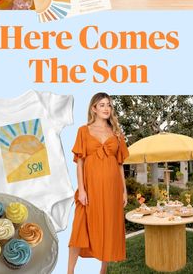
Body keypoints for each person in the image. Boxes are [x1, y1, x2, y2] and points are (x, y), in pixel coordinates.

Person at [68, 92, 129, 274]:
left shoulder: (116, 133)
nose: (106, 108)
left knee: (108, 226)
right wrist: (82, 190)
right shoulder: (83, 131)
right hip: (90, 188)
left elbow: (119, 165)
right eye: (102, 105)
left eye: (108, 105)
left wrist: (124, 191)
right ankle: (69, 271)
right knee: (80, 227)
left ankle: (103, 270)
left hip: (113, 188)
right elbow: (80, 162)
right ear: (93, 108)